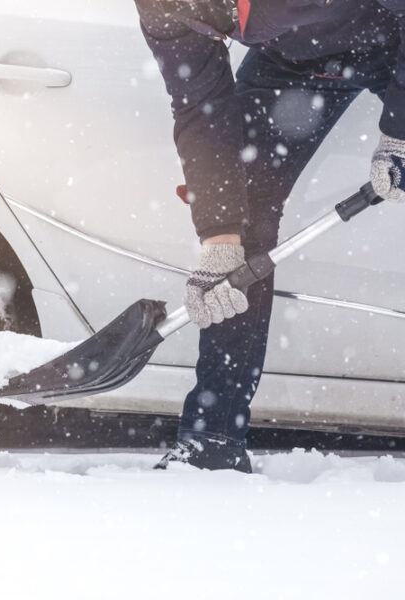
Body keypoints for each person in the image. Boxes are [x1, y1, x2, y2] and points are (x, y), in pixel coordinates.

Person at [133, 0, 405, 472]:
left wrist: (399, 130)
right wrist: (219, 241)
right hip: (291, 60)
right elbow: (199, 106)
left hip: (390, 37)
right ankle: (212, 442)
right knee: (242, 214)